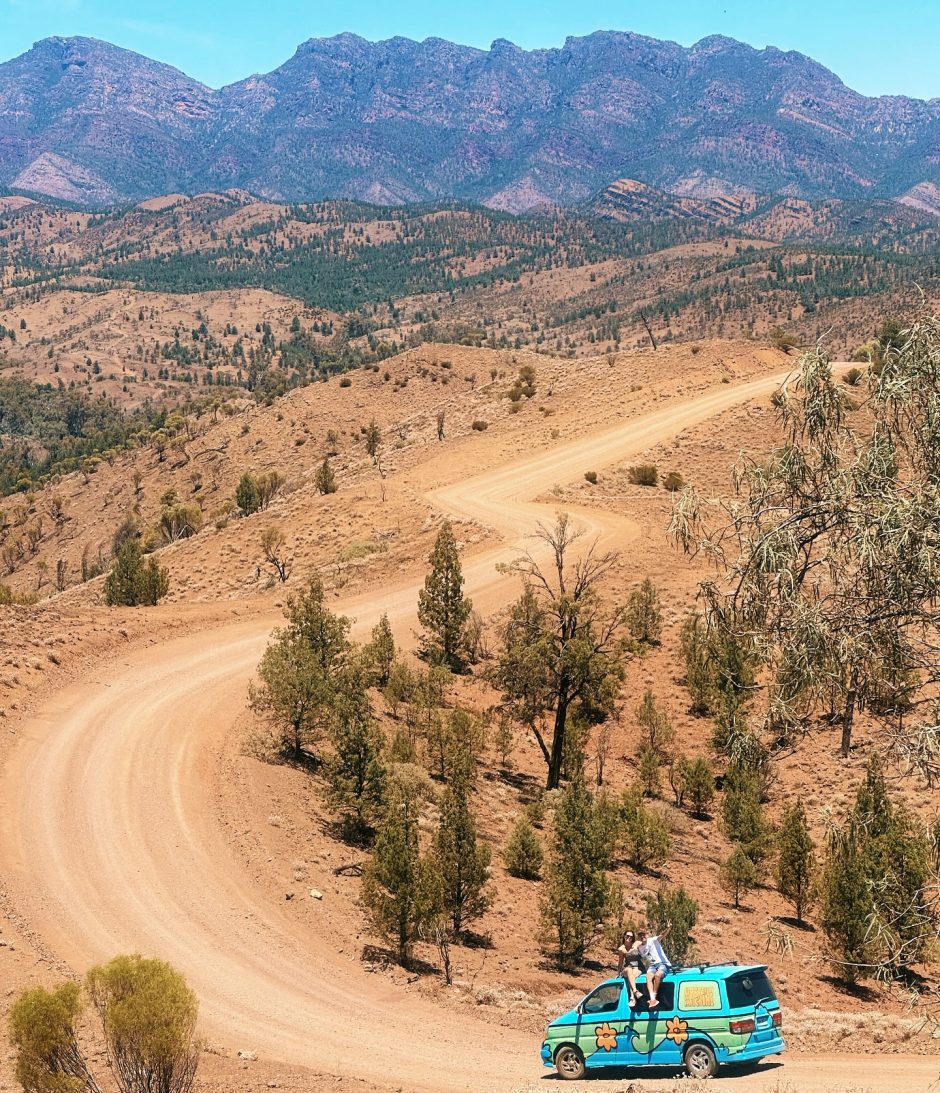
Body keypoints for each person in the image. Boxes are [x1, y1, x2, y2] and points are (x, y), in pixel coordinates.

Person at [637, 923, 672, 1009]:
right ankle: (652, 999)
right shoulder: (640, 948)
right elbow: (644, 959)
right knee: (648, 978)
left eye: (643, 934)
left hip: (662, 963)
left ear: (647, 935)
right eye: (640, 935)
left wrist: (668, 928)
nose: (642, 937)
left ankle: (654, 998)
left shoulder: (653, 940)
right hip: (652, 966)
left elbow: (662, 935)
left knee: (657, 975)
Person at [616, 930, 642, 1006]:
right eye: (627, 936)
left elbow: (646, 943)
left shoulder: (636, 944)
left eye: (631, 936)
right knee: (629, 969)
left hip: (637, 968)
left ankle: (632, 998)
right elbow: (620, 962)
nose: (629, 938)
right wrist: (618, 973)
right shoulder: (621, 949)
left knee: (632, 976)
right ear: (624, 936)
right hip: (627, 969)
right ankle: (635, 991)